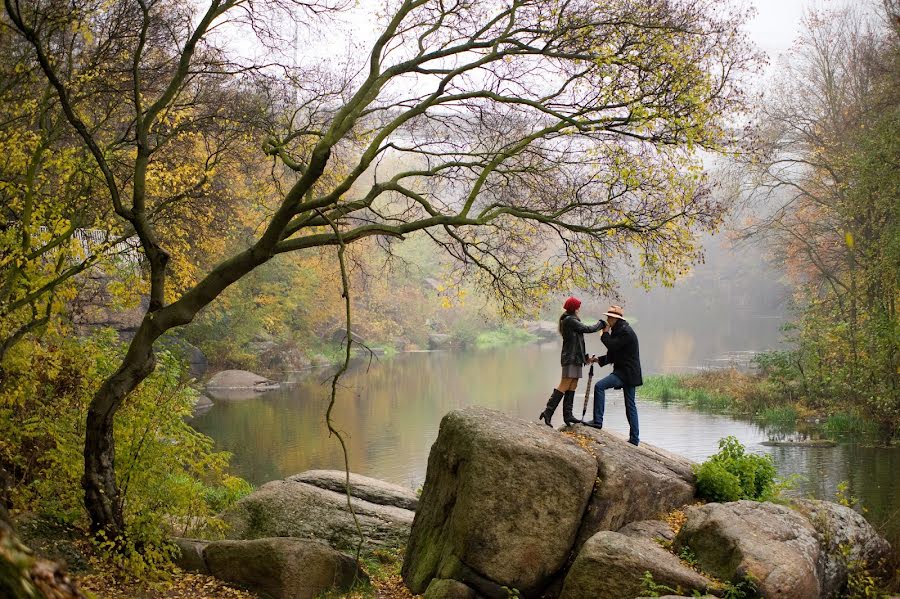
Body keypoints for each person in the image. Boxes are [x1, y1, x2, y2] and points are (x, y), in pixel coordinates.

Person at [539, 296, 605, 427]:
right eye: (578, 306)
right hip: (570, 358)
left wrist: (585, 358)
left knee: (573, 385)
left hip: (576, 358)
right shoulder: (570, 320)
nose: (579, 308)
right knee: (564, 385)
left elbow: (578, 343)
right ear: (574, 308)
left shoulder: (571, 320)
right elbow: (588, 329)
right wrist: (601, 324)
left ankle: (568, 415)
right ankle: (548, 412)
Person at [582, 305, 643, 446]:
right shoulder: (619, 330)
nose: (607, 319)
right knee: (630, 405)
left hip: (626, 373)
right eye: (607, 317)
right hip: (628, 372)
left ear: (616, 318)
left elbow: (613, 346)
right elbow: (614, 354)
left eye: (609, 317)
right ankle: (634, 439)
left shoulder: (625, 332)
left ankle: (598, 422)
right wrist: (598, 360)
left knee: (599, 386)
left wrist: (604, 333)